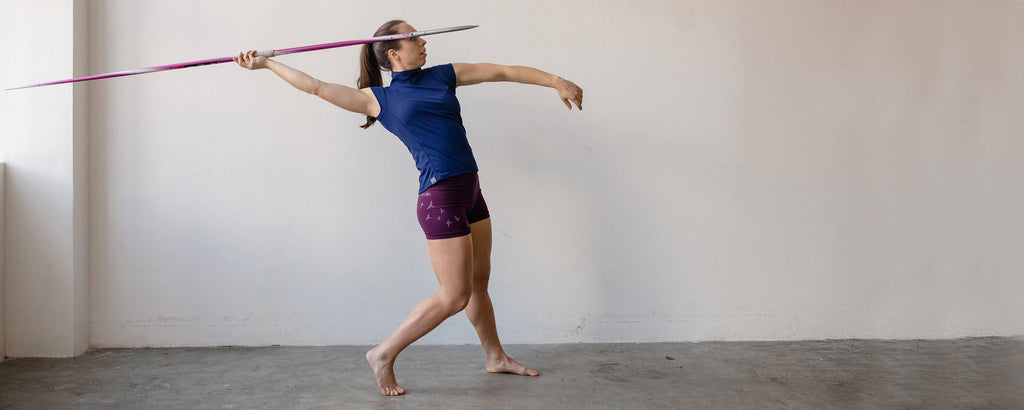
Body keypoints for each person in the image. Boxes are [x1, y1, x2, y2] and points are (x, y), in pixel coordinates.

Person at [234, 20, 583, 397]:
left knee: (478, 282)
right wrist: (267, 64)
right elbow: (315, 87)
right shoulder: (378, 99)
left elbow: (502, 71)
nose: (422, 41)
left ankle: (495, 357)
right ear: (393, 52)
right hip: (440, 198)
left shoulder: (443, 76)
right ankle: (383, 353)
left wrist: (556, 81)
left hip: (470, 190)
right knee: (454, 296)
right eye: (413, 37)